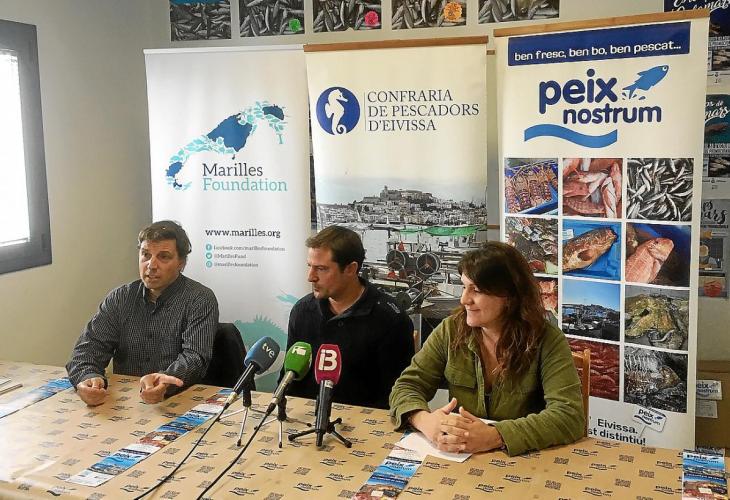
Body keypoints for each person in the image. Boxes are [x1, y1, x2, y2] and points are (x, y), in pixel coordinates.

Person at [389, 242, 584, 456]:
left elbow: (569, 416)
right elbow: (406, 387)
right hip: (460, 459)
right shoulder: (451, 329)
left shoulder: (548, 340)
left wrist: (495, 436)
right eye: (464, 287)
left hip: (523, 461)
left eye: (477, 290)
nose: (464, 299)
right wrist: (424, 421)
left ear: (509, 297)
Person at [66, 220, 218, 406]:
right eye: (146, 255)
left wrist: (164, 380)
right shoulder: (121, 298)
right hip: (125, 402)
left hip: (177, 399)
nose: (151, 265)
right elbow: (88, 349)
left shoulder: (199, 299)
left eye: (163, 257)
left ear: (181, 263)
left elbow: (195, 357)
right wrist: (88, 378)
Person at [285, 225, 414, 409]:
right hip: (304, 419)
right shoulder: (302, 311)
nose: (310, 277)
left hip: (365, 422)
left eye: (321, 269)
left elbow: (397, 396)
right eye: (309, 266)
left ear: (351, 269)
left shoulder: (391, 320)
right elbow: (290, 382)